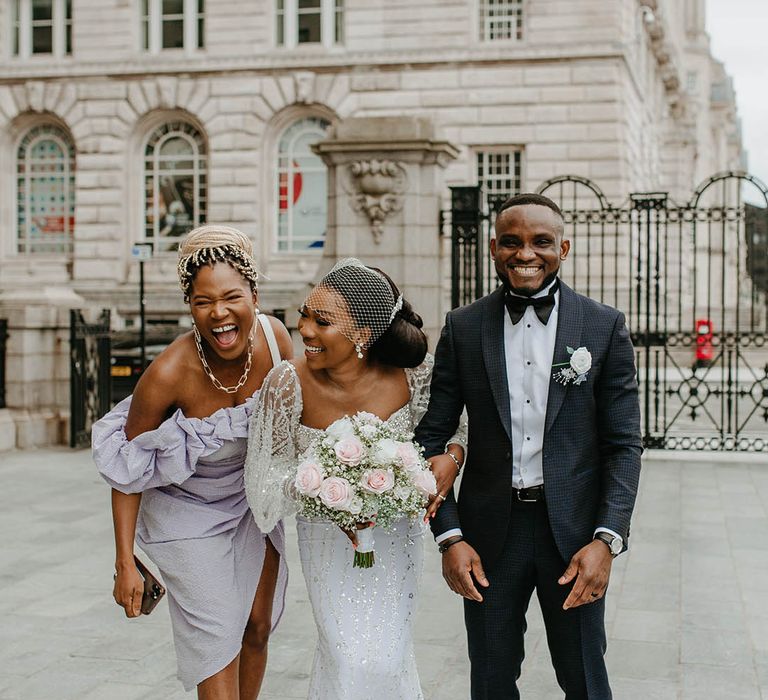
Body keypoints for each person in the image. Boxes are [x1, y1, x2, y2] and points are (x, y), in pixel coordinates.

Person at [415, 193, 642, 699]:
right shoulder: (463, 327)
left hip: (575, 536)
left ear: (563, 248)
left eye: (541, 242)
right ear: (494, 247)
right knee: (491, 681)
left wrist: (607, 540)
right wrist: (449, 536)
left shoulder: (603, 327)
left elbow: (624, 445)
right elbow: (429, 436)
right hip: (489, 538)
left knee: (585, 680)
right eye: (512, 242)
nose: (526, 254)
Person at [243, 258, 466, 700]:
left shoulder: (413, 374)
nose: (304, 329)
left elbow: (455, 426)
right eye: (304, 314)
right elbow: (263, 476)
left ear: (362, 333)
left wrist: (453, 458)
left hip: (397, 537)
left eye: (321, 321)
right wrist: (321, 487)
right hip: (327, 539)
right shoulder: (286, 384)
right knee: (346, 652)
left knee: (389, 653)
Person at [92, 225, 293, 699]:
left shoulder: (276, 340)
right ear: (190, 307)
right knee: (217, 636)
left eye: (231, 297)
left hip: (250, 502)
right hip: (183, 512)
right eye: (203, 302)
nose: (219, 313)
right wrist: (125, 561)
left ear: (254, 295)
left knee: (257, 625)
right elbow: (126, 469)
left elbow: (296, 418)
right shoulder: (168, 372)